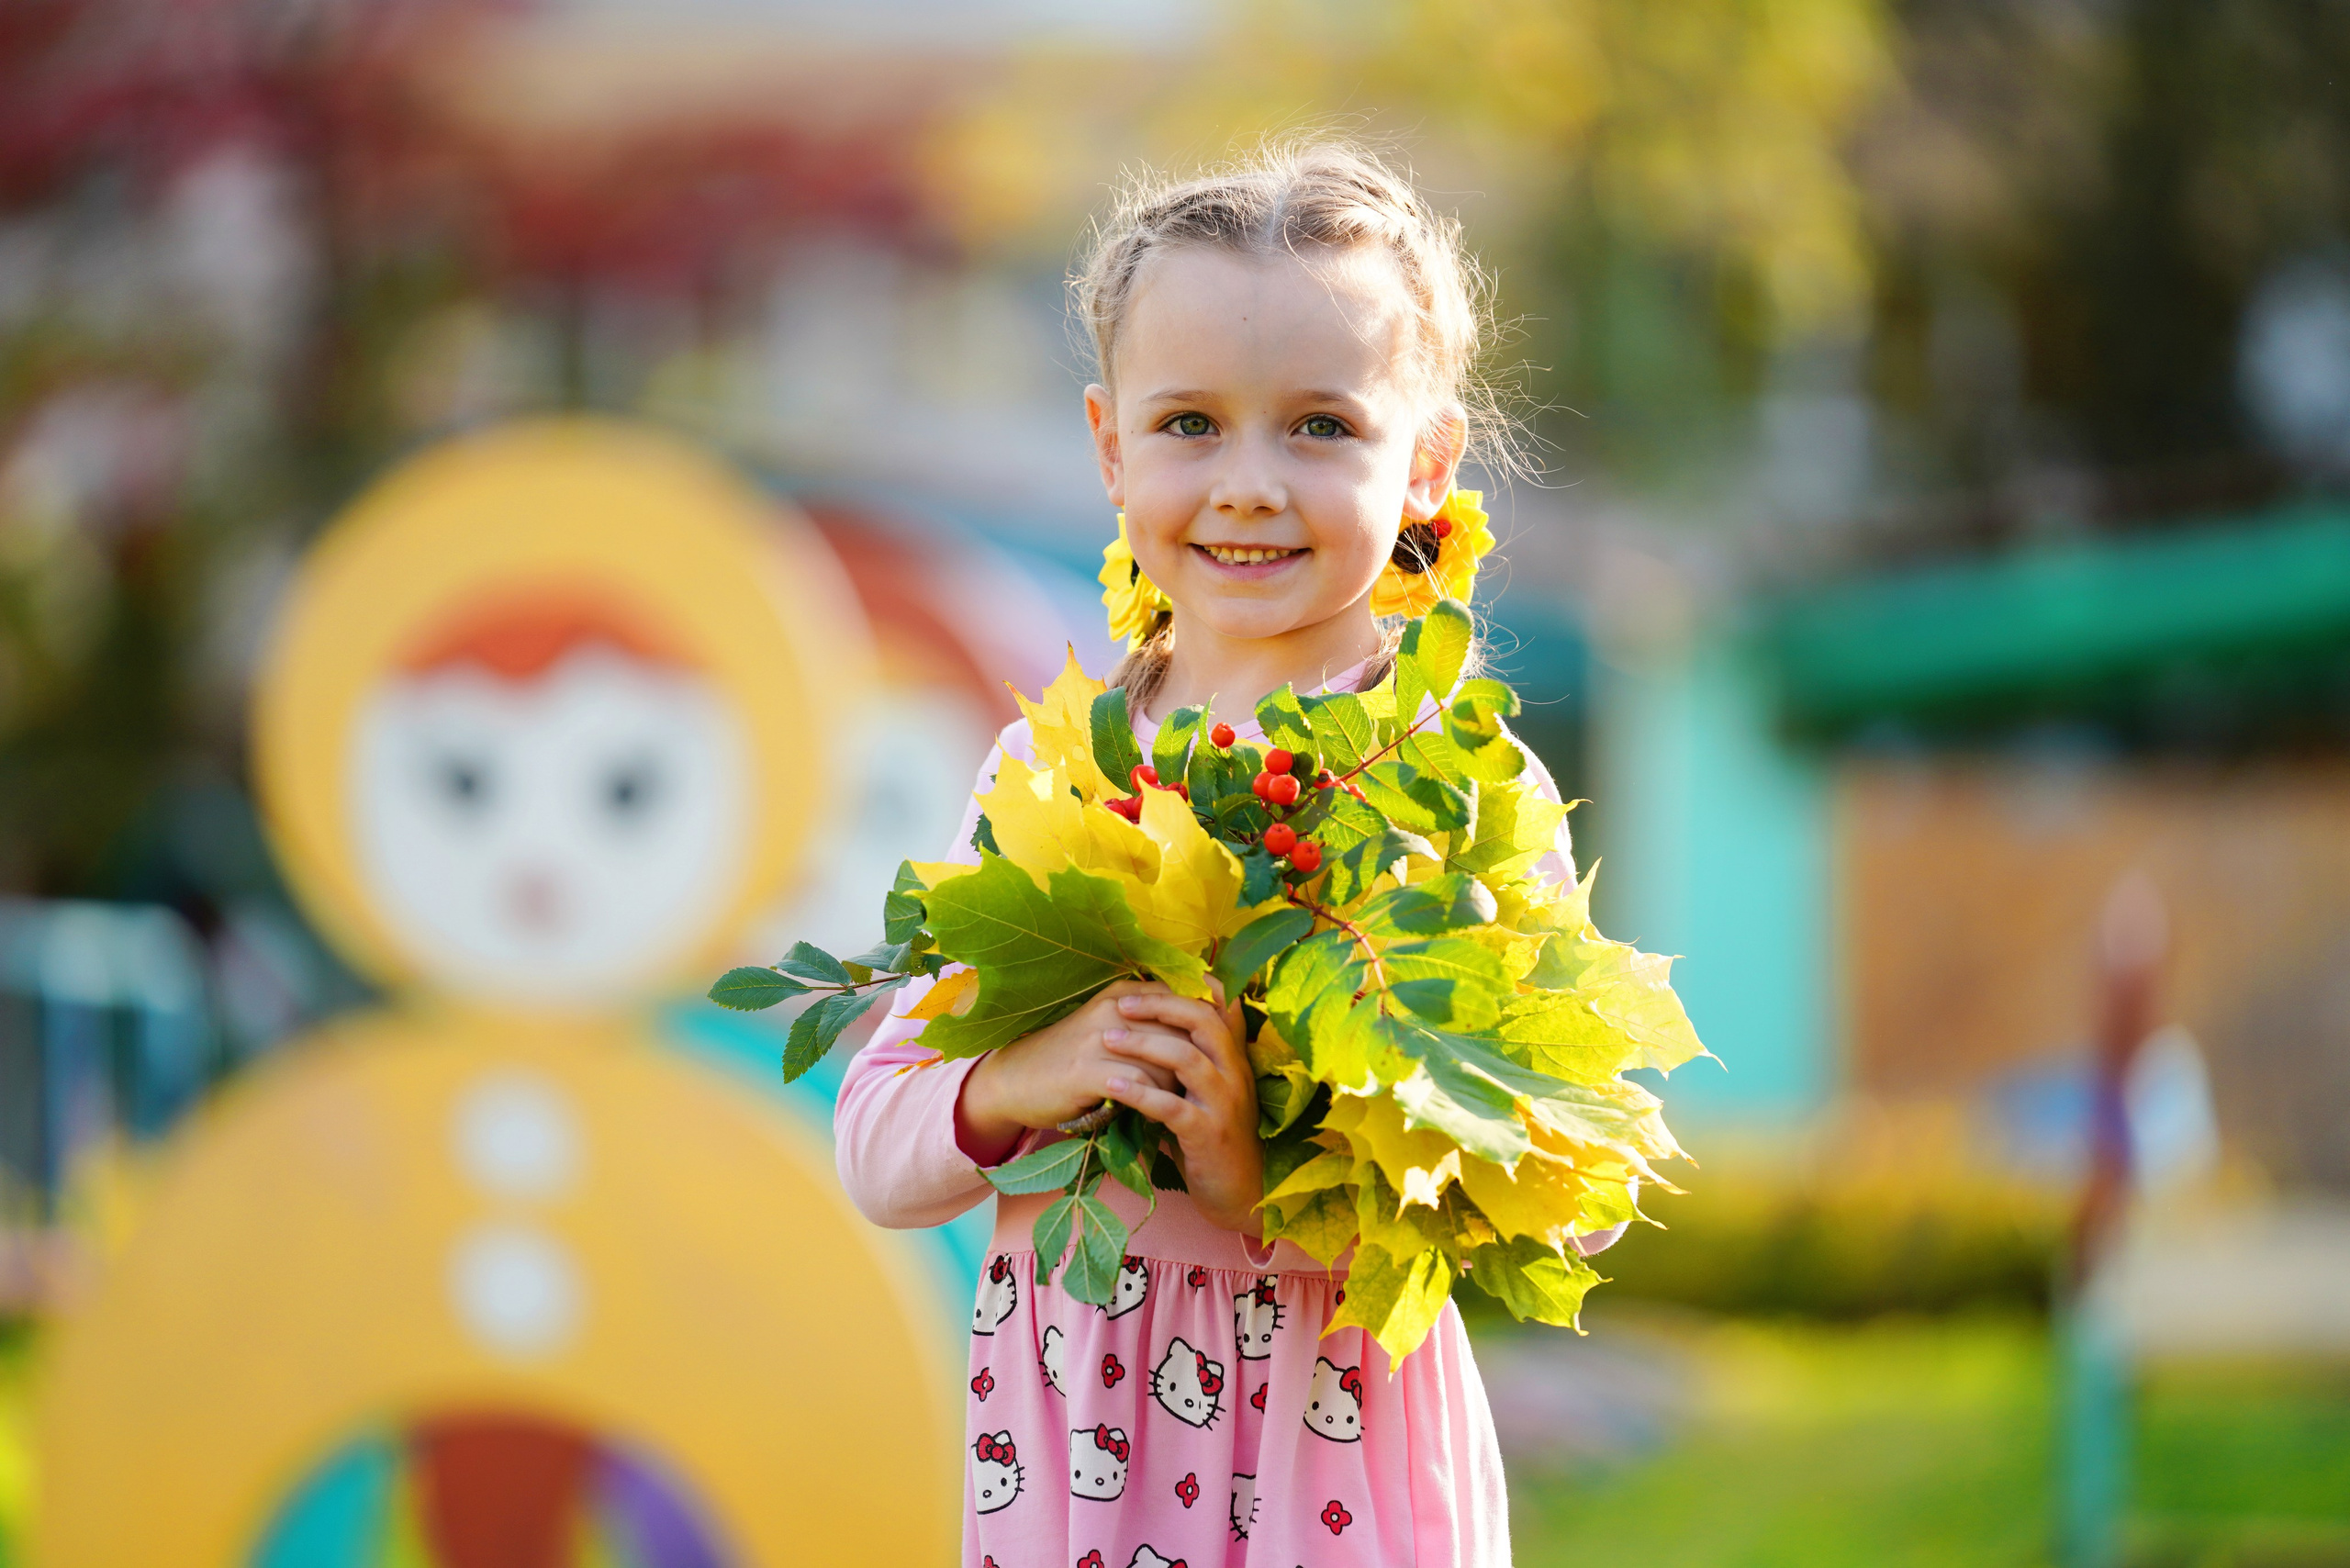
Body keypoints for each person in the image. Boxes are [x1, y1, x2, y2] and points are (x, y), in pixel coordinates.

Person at [834, 140, 1621, 1567]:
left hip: (1330, 1461)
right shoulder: (1054, 776)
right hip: (1078, 1448)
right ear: (1109, 446)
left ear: (1425, 463)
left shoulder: (1451, 788)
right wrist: (1026, 1077)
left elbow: (1567, 1201)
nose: (1249, 484)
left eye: (1321, 426)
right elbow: (880, 1153)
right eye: (1190, 423)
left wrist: (1256, 1184)